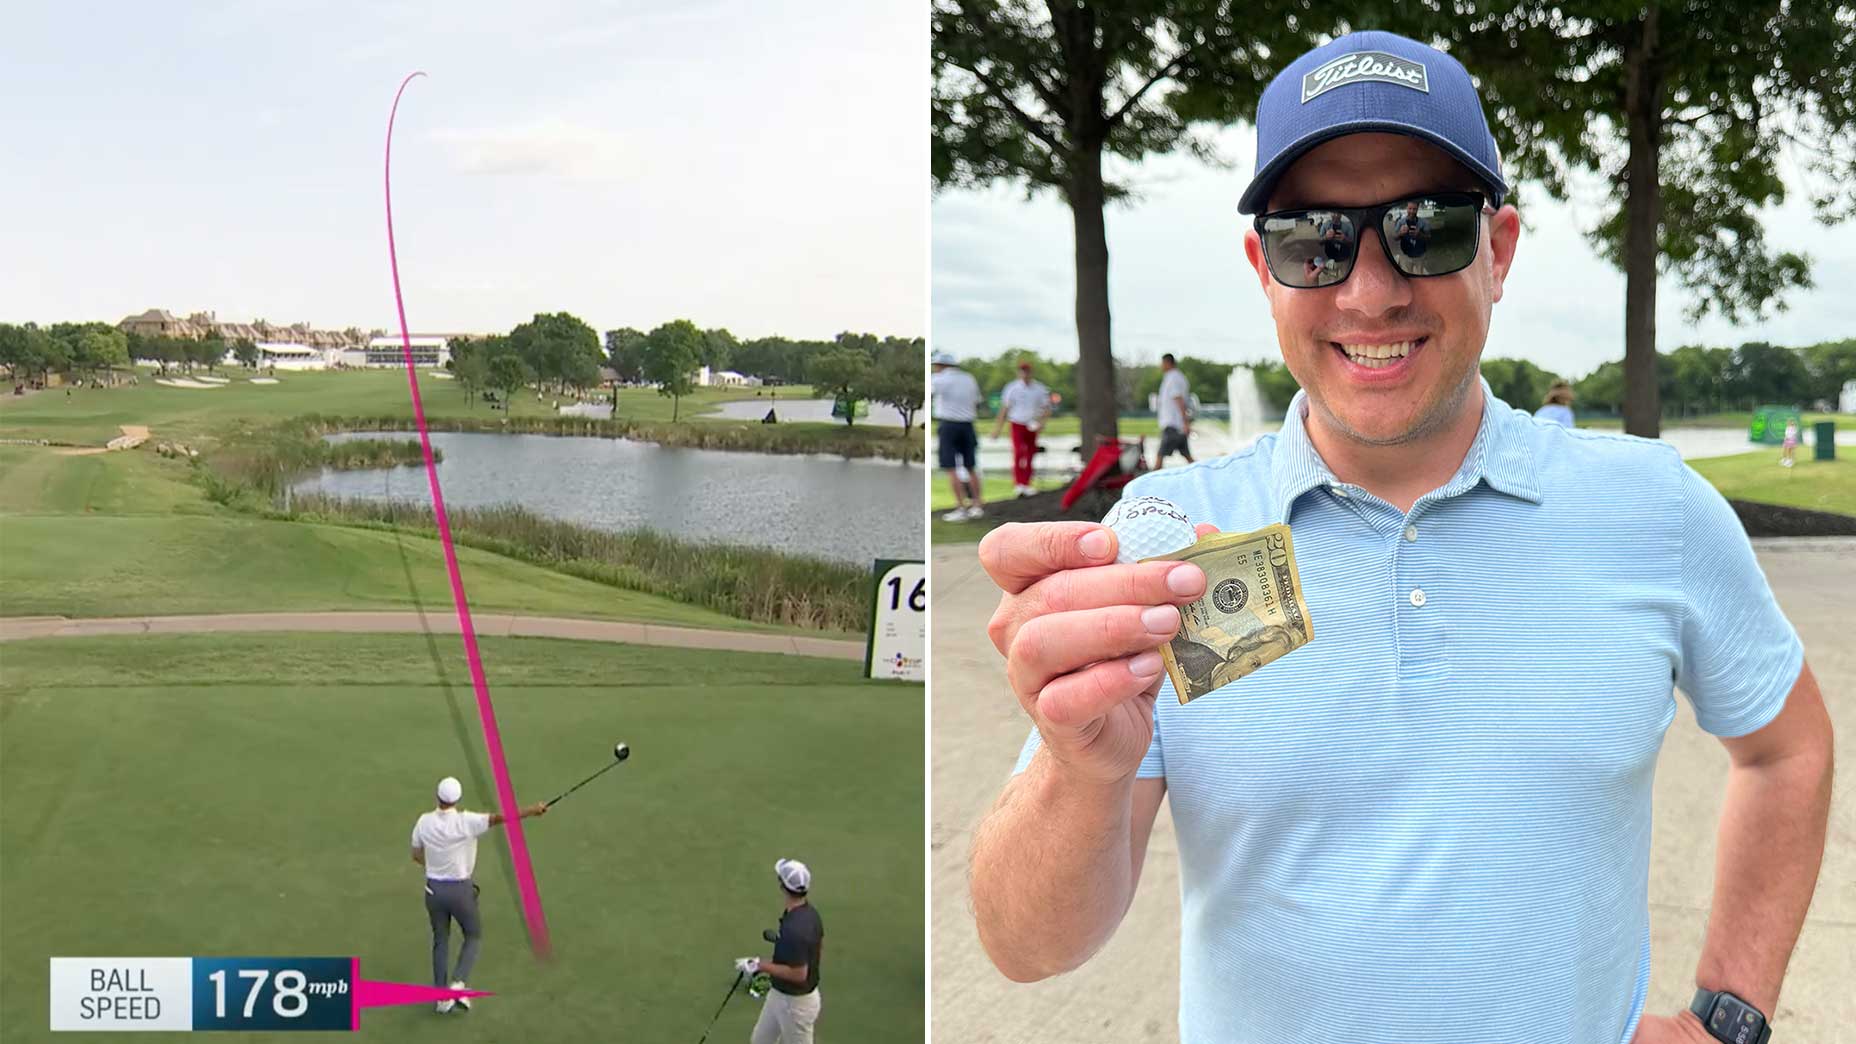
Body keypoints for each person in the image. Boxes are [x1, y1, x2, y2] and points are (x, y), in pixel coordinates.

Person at [966, 30, 1831, 1044]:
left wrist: (1724, 1017)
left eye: (1424, 231)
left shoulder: (1651, 507)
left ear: (1497, 250)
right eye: (1311, 240)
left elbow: (1787, 750)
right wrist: (1081, 770)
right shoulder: (1171, 547)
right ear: (1262, 266)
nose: (1368, 291)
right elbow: (1027, 948)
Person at [410, 776, 548, 1013]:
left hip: (433, 890)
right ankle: (458, 983)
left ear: (438, 797)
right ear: (458, 799)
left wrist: (433, 868)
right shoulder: (467, 821)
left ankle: (441, 997)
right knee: (473, 936)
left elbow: (415, 854)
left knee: (440, 939)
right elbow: (502, 818)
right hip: (460, 891)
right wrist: (533, 811)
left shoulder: (424, 822)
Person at [735, 859, 824, 1043]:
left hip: (797, 1005)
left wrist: (760, 965)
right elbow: (817, 948)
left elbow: (799, 974)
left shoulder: (795, 928)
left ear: (783, 886)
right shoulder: (810, 914)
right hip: (780, 995)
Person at [932, 350, 985, 521]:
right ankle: (977, 505)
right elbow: (976, 401)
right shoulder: (969, 378)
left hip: (948, 424)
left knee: (951, 468)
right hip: (968, 424)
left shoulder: (939, 379)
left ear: (941, 365)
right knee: (971, 466)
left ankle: (961, 507)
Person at [992, 360, 1052, 497]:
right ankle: (1019, 484)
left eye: (1027, 371)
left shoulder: (1039, 388)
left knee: (1030, 454)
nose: (1024, 374)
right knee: (1019, 452)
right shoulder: (1012, 388)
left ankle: (1026, 483)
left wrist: (1042, 422)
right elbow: (1005, 409)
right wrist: (997, 429)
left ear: (1031, 372)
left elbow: (1047, 408)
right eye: (1022, 371)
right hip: (1017, 423)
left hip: (1032, 424)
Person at [1152, 354, 1193, 469]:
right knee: (1187, 456)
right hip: (1176, 424)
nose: (1160, 366)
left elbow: (1179, 400)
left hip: (1173, 424)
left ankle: (1151, 483)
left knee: (1160, 455)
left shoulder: (1174, 378)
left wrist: (1185, 422)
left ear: (1168, 363)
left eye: (1162, 363)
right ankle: (1205, 474)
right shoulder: (1174, 377)